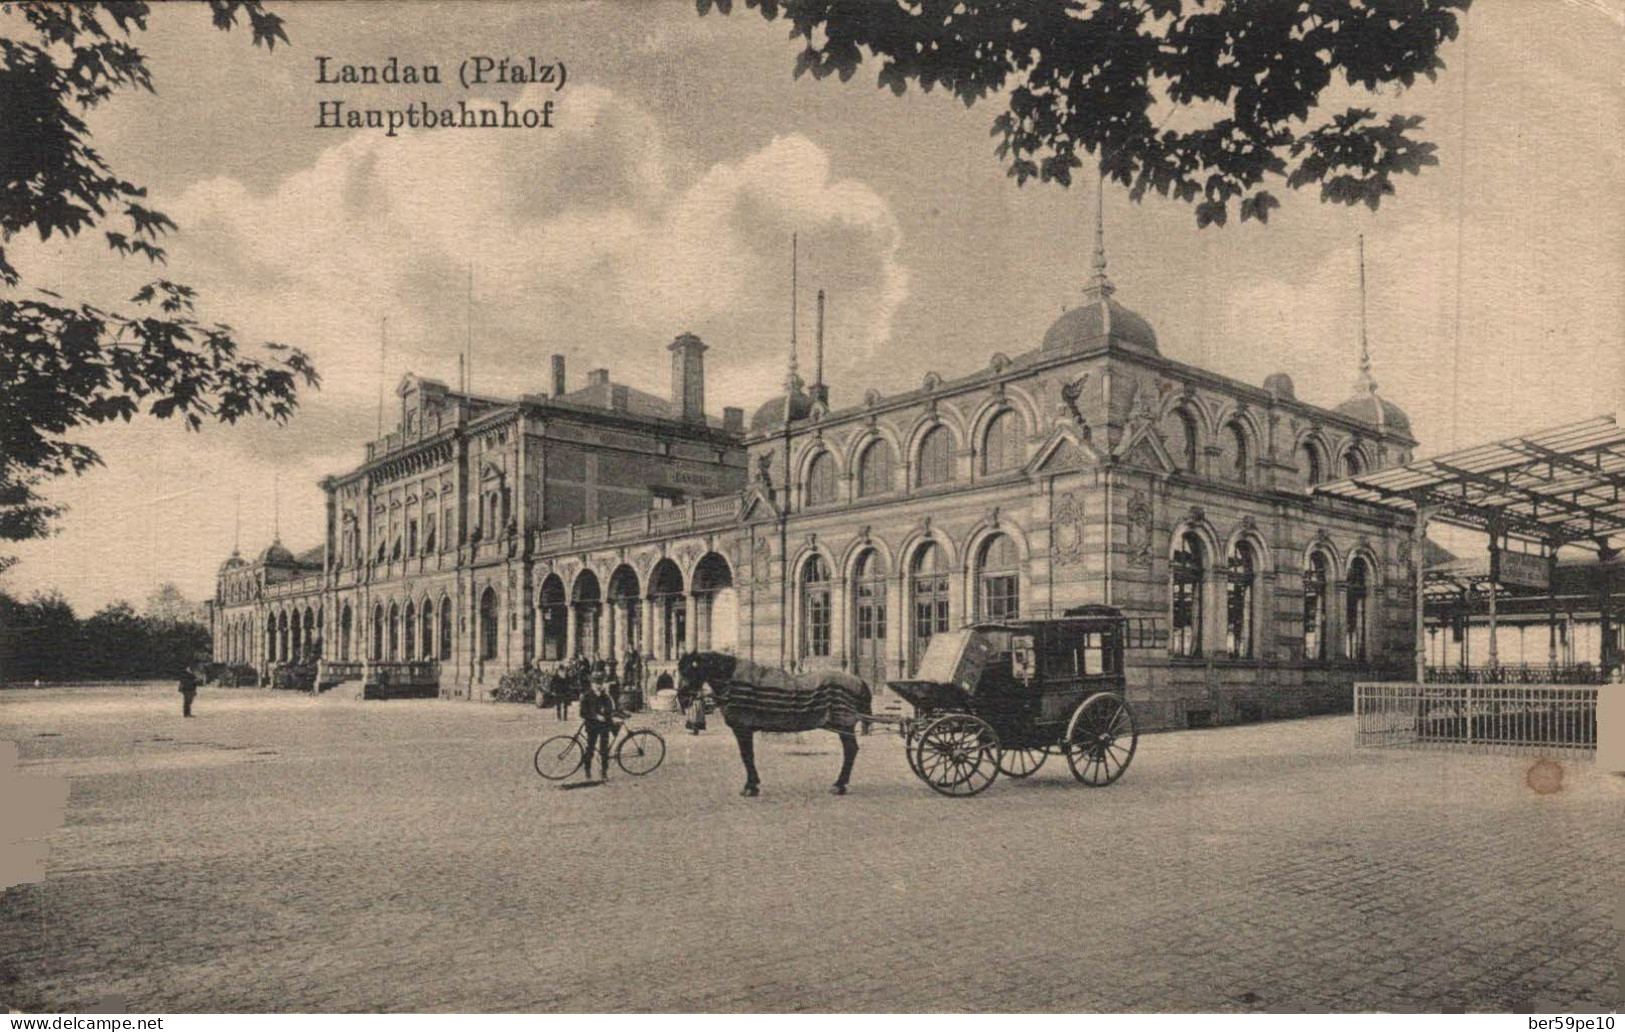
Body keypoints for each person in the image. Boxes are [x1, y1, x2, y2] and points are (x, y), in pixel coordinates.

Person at [580, 674, 617, 781]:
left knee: (604, 749)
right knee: (590, 748)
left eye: (600, 684)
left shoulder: (605, 696)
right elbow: (583, 713)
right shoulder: (587, 696)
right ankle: (587, 770)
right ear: (592, 684)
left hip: (604, 726)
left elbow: (610, 710)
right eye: (596, 684)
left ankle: (604, 771)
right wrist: (595, 716)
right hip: (592, 726)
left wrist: (607, 717)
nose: (598, 686)